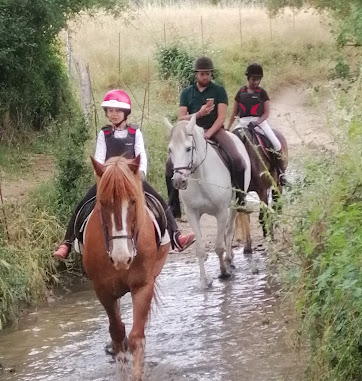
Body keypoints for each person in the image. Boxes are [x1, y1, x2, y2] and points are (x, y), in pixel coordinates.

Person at [53, 89, 195, 260]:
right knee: (83, 204)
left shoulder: (135, 133)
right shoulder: (104, 134)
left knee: (159, 201)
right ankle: (67, 243)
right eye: (110, 111)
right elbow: (99, 157)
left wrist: (139, 175)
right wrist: (104, 176)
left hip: (131, 180)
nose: (114, 114)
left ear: (125, 113)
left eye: (118, 110)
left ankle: (176, 236)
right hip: (109, 179)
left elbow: (140, 156)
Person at [165, 56, 248, 212]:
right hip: (191, 132)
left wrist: (209, 133)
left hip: (215, 130)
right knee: (170, 164)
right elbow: (181, 117)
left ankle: (240, 198)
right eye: (202, 74)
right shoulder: (186, 93)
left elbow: (222, 116)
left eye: (208, 73)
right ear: (196, 74)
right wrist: (199, 114)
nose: (205, 76)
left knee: (237, 159)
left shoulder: (219, 91)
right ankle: (174, 202)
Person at [226, 63, 287, 185]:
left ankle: (280, 173)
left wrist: (257, 122)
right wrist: (227, 128)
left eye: (258, 79)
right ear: (248, 78)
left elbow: (266, 113)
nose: (256, 82)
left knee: (276, 144)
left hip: (260, 122)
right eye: (254, 79)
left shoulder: (262, 93)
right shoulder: (241, 92)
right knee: (230, 145)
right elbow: (234, 113)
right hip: (242, 123)